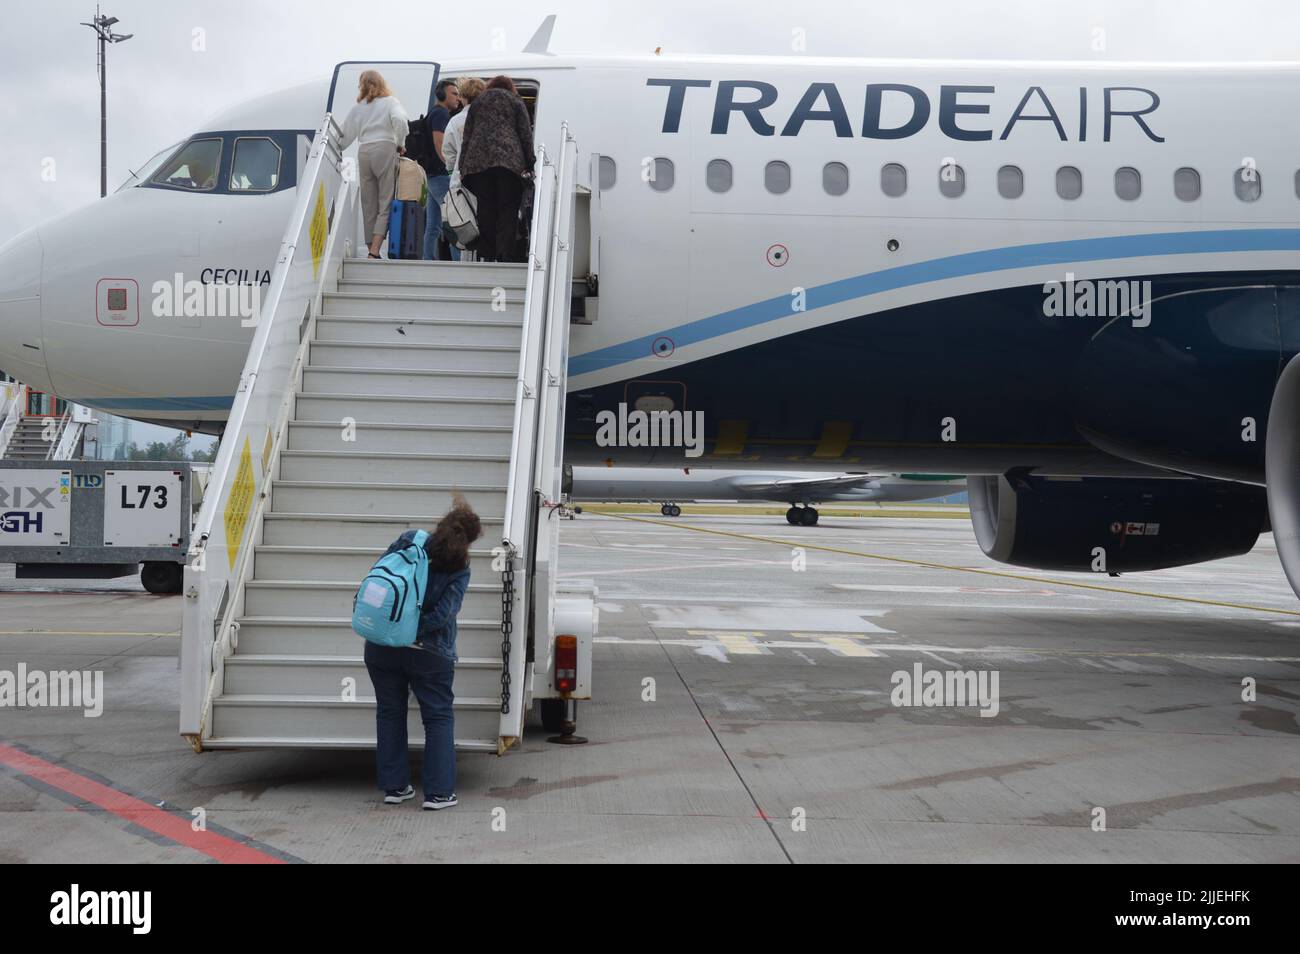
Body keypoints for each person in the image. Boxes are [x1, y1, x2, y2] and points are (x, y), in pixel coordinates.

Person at [363, 499, 484, 811]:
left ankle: (395, 787)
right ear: (469, 540)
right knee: (438, 717)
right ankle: (439, 793)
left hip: (381, 646)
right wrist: (413, 630)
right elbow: (443, 615)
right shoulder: (460, 568)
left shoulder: (409, 539)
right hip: (429, 654)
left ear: (440, 523)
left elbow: (380, 579)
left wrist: (395, 627)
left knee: (389, 713)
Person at [459, 75, 534, 263]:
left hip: (478, 164)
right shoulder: (515, 101)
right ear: (510, 87)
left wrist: (462, 166)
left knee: (485, 208)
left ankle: (487, 253)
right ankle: (504, 255)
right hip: (509, 163)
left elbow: (467, 136)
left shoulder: (478, 102)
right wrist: (530, 163)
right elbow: (525, 133)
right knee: (507, 209)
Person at [338, 70, 409, 259]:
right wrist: (400, 143)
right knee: (384, 201)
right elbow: (401, 121)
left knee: (368, 203)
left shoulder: (358, 107)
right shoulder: (390, 102)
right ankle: (375, 251)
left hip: (364, 151)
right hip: (385, 148)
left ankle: (371, 249)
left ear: (362, 85)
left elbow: (344, 137)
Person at [422, 79, 460, 261]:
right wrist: (450, 169)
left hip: (432, 176)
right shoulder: (441, 114)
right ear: (442, 95)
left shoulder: (434, 113)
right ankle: (457, 263)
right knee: (453, 220)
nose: (458, 98)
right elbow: (440, 143)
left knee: (433, 225)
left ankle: (427, 259)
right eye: (454, 93)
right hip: (440, 176)